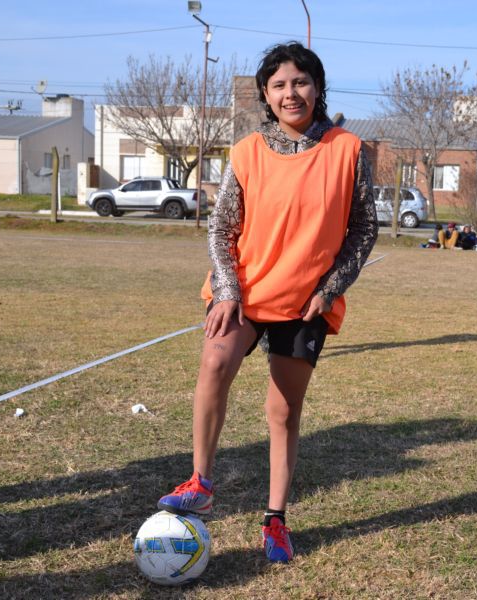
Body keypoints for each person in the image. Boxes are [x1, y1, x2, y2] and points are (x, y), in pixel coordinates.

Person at [156, 42, 378, 564]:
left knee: (282, 411)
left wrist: (331, 288)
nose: (290, 92)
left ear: (318, 88)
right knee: (214, 360)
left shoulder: (348, 149)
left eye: (300, 82)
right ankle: (201, 481)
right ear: (265, 94)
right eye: (278, 85)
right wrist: (228, 290)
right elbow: (222, 227)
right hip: (246, 292)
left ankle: (275, 519)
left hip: (307, 302)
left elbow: (363, 229)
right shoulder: (247, 150)